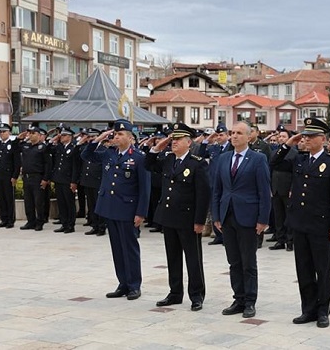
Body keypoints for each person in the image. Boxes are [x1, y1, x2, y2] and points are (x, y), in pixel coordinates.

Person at [271, 117, 330, 328]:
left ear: (322, 139)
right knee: (303, 269)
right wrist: (288, 144)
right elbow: (274, 162)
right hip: (299, 223)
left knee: (323, 270)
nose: (306, 139)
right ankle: (308, 309)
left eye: (311, 136)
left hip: (321, 224)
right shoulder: (300, 160)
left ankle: (323, 310)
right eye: (305, 135)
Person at [81, 120, 151, 300]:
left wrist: (141, 212)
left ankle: (134, 285)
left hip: (128, 209)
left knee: (130, 248)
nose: (116, 137)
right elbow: (86, 155)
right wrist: (99, 139)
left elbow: (145, 188)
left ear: (129, 137)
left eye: (120, 134)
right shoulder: (108, 154)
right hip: (110, 207)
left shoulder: (139, 157)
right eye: (115, 134)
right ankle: (123, 283)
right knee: (117, 248)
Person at [145, 123, 210, 311]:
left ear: (188, 142)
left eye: (178, 139)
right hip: (169, 216)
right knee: (172, 257)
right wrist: (157, 147)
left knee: (193, 258)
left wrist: (199, 221)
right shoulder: (167, 160)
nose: (174, 142)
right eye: (173, 139)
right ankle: (175, 293)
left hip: (188, 219)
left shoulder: (197, 163)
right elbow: (148, 164)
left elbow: (203, 194)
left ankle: (197, 295)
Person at [211, 121, 271, 319]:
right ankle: (238, 298)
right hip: (227, 215)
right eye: (232, 133)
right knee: (234, 261)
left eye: (238, 133)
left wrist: (263, 219)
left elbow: (264, 191)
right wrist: (217, 216)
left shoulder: (257, 159)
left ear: (248, 136)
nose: (234, 136)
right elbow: (217, 189)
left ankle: (250, 301)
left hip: (248, 216)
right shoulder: (223, 158)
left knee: (248, 262)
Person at [16, 126, 52, 231]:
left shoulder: (43, 147)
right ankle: (30, 221)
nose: (31, 135)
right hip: (27, 178)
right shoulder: (25, 146)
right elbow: (14, 148)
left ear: (39, 135)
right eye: (30, 133)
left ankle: (40, 222)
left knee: (38, 202)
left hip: (38, 177)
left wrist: (45, 179)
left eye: (33, 133)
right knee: (28, 201)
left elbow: (48, 164)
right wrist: (19, 138)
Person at [73, 128, 106, 236]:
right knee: (91, 206)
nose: (91, 139)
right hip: (88, 181)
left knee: (99, 206)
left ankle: (101, 227)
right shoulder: (87, 149)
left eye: (94, 136)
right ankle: (94, 225)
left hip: (98, 181)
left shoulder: (103, 149)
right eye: (90, 137)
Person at [269, 129, 297, 251]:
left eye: (284, 136)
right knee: (278, 216)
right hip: (275, 187)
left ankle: (290, 241)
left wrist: (292, 188)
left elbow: (295, 173)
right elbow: (271, 168)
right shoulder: (275, 152)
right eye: (279, 136)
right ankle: (280, 240)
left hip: (287, 186)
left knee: (289, 216)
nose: (281, 138)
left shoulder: (294, 153)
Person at [50, 126, 77, 234]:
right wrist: (54, 139)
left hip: (68, 180)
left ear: (70, 137)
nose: (62, 137)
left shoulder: (74, 148)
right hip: (59, 179)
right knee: (61, 203)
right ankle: (64, 223)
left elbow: (75, 166)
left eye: (64, 135)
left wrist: (74, 181)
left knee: (69, 203)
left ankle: (70, 225)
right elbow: (48, 149)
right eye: (61, 135)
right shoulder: (59, 147)